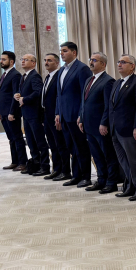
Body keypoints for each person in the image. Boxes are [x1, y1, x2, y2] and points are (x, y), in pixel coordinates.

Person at [106, 55, 136, 201]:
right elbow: (112, 107)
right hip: (116, 128)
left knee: (135, 160)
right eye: (119, 62)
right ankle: (130, 186)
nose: (119, 64)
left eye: (123, 62)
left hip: (130, 129)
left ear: (132, 66)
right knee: (124, 161)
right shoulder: (117, 83)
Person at [78, 52, 119, 193]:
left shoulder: (108, 81)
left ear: (103, 64)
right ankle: (101, 180)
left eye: (94, 60)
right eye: (90, 59)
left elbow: (109, 106)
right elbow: (84, 102)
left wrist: (104, 123)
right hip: (89, 125)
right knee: (96, 155)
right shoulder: (89, 80)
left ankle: (111, 182)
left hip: (101, 126)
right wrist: (81, 118)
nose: (91, 62)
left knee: (108, 155)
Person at [56, 41, 92, 187]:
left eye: (65, 51)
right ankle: (76, 175)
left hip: (76, 115)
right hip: (64, 115)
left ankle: (86, 177)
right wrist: (58, 113)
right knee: (71, 147)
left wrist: (81, 115)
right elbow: (59, 95)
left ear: (74, 52)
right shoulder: (61, 70)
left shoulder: (82, 68)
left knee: (81, 147)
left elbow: (85, 94)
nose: (61, 53)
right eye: (61, 51)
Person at [15, 54, 49, 175]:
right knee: (30, 141)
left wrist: (25, 99)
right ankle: (35, 164)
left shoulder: (34, 76)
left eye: (26, 60)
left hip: (34, 114)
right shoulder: (24, 76)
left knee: (39, 142)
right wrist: (18, 95)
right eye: (22, 59)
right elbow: (26, 92)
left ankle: (44, 166)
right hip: (26, 114)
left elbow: (38, 92)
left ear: (33, 63)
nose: (23, 61)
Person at [0, 50, 27, 171]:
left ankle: (22, 162)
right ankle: (15, 161)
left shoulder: (15, 75)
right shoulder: (4, 75)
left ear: (11, 61)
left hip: (11, 112)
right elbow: (1, 95)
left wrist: (12, 112)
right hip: (4, 112)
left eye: (4, 59)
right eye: (0, 59)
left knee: (17, 137)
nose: (1, 61)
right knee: (11, 138)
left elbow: (16, 95)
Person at [41, 54, 70, 180]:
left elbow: (59, 97)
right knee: (52, 145)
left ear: (57, 63)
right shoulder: (48, 77)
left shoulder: (59, 75)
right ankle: (57, 169)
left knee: (60, 145)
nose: (46, 62)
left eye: (49, 60)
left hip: (56, 115)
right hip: (46, 116)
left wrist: (58, 114)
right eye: (45, 60)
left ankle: (65, 171)